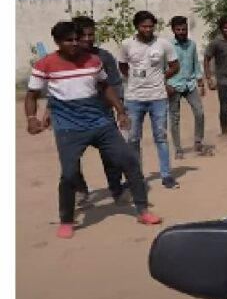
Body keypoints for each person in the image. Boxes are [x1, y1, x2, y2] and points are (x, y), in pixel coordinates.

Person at [26, 21, 162, 239]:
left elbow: (105, 86)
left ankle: (143, 210)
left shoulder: (93, 60)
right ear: (57, 42)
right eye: (68, 40)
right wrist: (32, 118)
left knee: (129, 160)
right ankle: (67, 220)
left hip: (100, 123)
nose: (74, 44)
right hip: (69, 128)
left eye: (76, 39)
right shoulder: (44, 64)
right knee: (69, 173)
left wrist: (120, 110)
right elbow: (31, 94)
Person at [48, 16, 128, 205]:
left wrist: (119, 109)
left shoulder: (103, 57)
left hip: (102, 116)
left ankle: (116, 189)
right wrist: (47, 113)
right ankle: (81, 190)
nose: (87, 39)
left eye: (91, 35)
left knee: (111, 155)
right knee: (71, 159)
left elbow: (115, 84)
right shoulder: (58, 60)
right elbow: (54, 91)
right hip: (70, 120)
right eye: (82, 35)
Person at [118, 10, 181, 189]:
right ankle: (134, 177)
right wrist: (134, 79)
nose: (147, 29)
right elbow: (122, 65)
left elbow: (175, 65)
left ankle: (166, 175)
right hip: (134, 98)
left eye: (150, 26)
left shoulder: (163, 43)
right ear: (136, 27)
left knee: (161, 137)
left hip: (158, 98)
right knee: (132, 139)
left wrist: (162, 77)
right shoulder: (126, 45)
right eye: (144, 26)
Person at [166, 16, 211, 159]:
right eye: (178, 29)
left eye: (183, 29)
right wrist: (165, 85)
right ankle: (178, 149)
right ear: (173, 30)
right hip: (173, 85)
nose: (181, 32)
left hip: (190, 84)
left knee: (200, 113)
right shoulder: (167, 45)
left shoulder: (192, 44)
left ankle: (198, 142)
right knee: (175, 118)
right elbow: (161, 67)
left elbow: (195, 64)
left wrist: (200, 82)